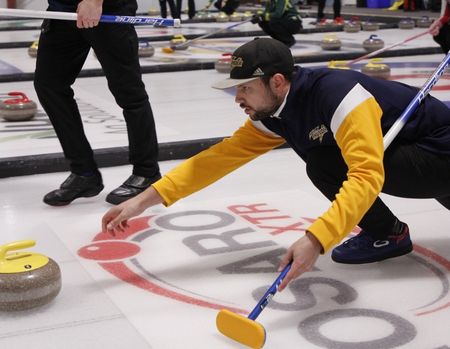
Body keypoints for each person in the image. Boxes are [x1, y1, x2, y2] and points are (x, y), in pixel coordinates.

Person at [102, 38, 450, 292]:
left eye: (245, 89)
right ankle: (387, 232)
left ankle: (387, 235)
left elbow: (365, 175)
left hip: (441, 154)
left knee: (329, 163)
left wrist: (316, 239)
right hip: (418, 157)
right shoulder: (274, 112)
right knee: (323, 161)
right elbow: (216, 161)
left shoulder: (339, 97)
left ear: (278, 82)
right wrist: (141, 201)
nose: (237, 98)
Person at [34, 0, 162, 206]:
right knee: (49, 86)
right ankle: (84, 173)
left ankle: (146, 173)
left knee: (129, 93)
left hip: (107, 8)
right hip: (62, 9)